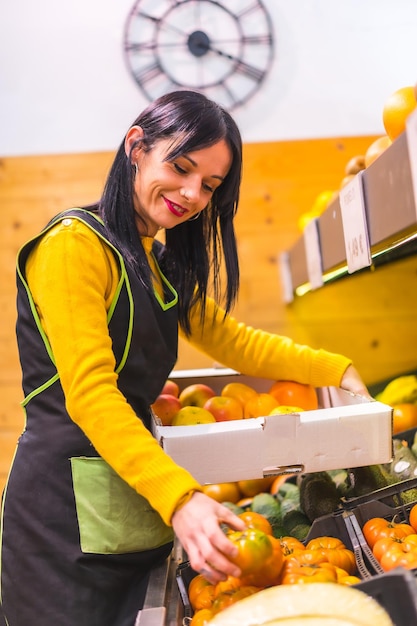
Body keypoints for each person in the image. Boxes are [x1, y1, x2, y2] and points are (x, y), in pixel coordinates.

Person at [0, 90, 369, 626]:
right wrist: (180, 498)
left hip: (131, 499)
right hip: (62, 520)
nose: (192, 193)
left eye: (210, 186)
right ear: (136, 146)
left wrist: (334, 368)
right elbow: (91, 394)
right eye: (180, 166)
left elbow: (236, 341)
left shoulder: (157, 259)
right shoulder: (73, 247)